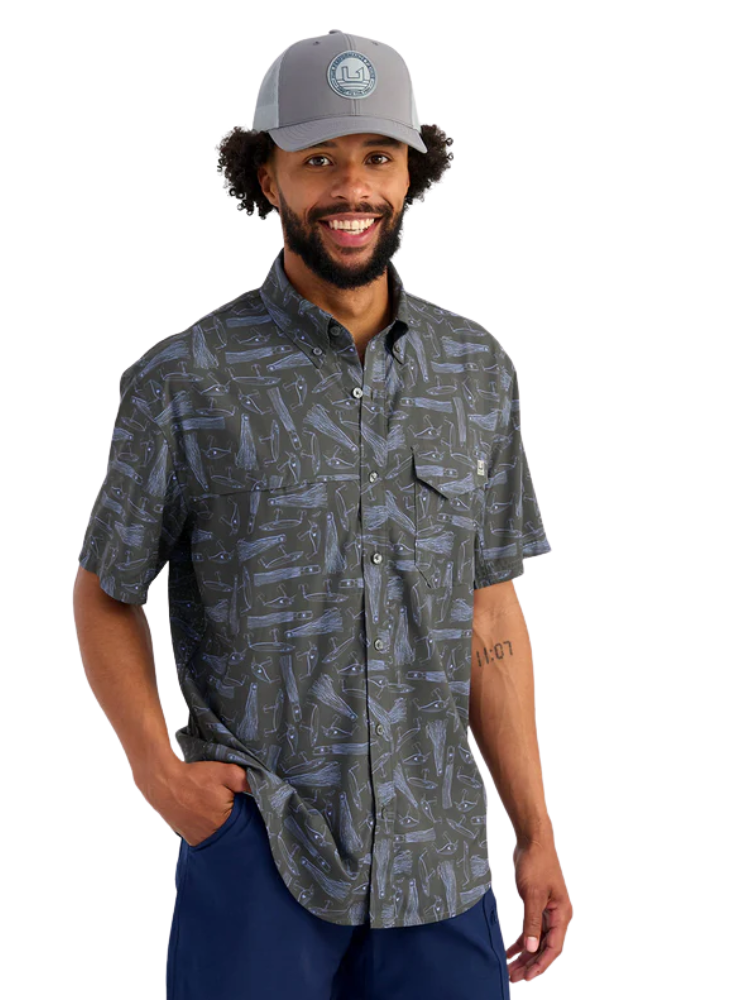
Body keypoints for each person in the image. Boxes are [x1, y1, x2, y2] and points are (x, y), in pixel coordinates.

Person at [72, 28, 573, 1000]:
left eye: (377, 157)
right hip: (263, 850)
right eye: (319, 161)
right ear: (267, 179)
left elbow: (490, 610)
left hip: (439, 861)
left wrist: (534, 829)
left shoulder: (475, 369)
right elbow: (104, 591)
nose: (353, 188)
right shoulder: (185, 380)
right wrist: (158, 773)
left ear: (411, 173)